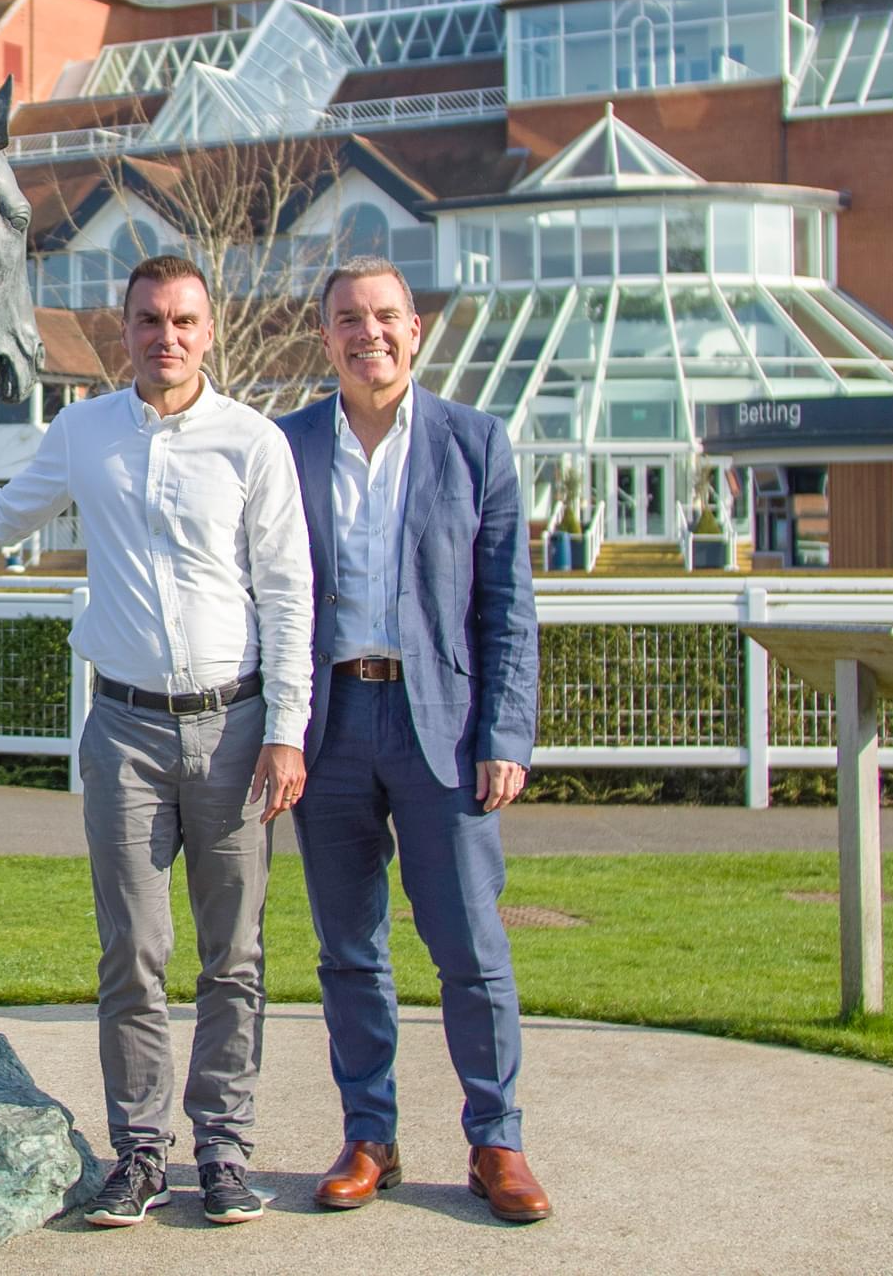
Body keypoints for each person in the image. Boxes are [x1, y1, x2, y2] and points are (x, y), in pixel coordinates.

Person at [0, 255, 312, 1230]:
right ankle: (139, 1152)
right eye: (148, 320)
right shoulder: (83, 431)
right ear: (121, 330)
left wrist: (287, 731)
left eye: (182, 320)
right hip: (122, 729)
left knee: (234, 956)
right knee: (133, 951)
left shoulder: (252, 443)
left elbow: (289, 592)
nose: (165, 336)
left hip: (235, 728)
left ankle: (224, 1149)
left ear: (208, 330)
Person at [276, 256, 551, 1225]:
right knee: (350, 947)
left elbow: (509, 609)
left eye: (386, 315)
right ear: (325, 335)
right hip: (330, 725)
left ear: (417, 327)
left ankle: (498, 1139)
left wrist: (505, 730)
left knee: (471, 945)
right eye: (348, 317)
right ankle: (370, 1135)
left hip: (446, 729)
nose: (369, 332)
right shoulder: (287, 444)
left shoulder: (478, 443)